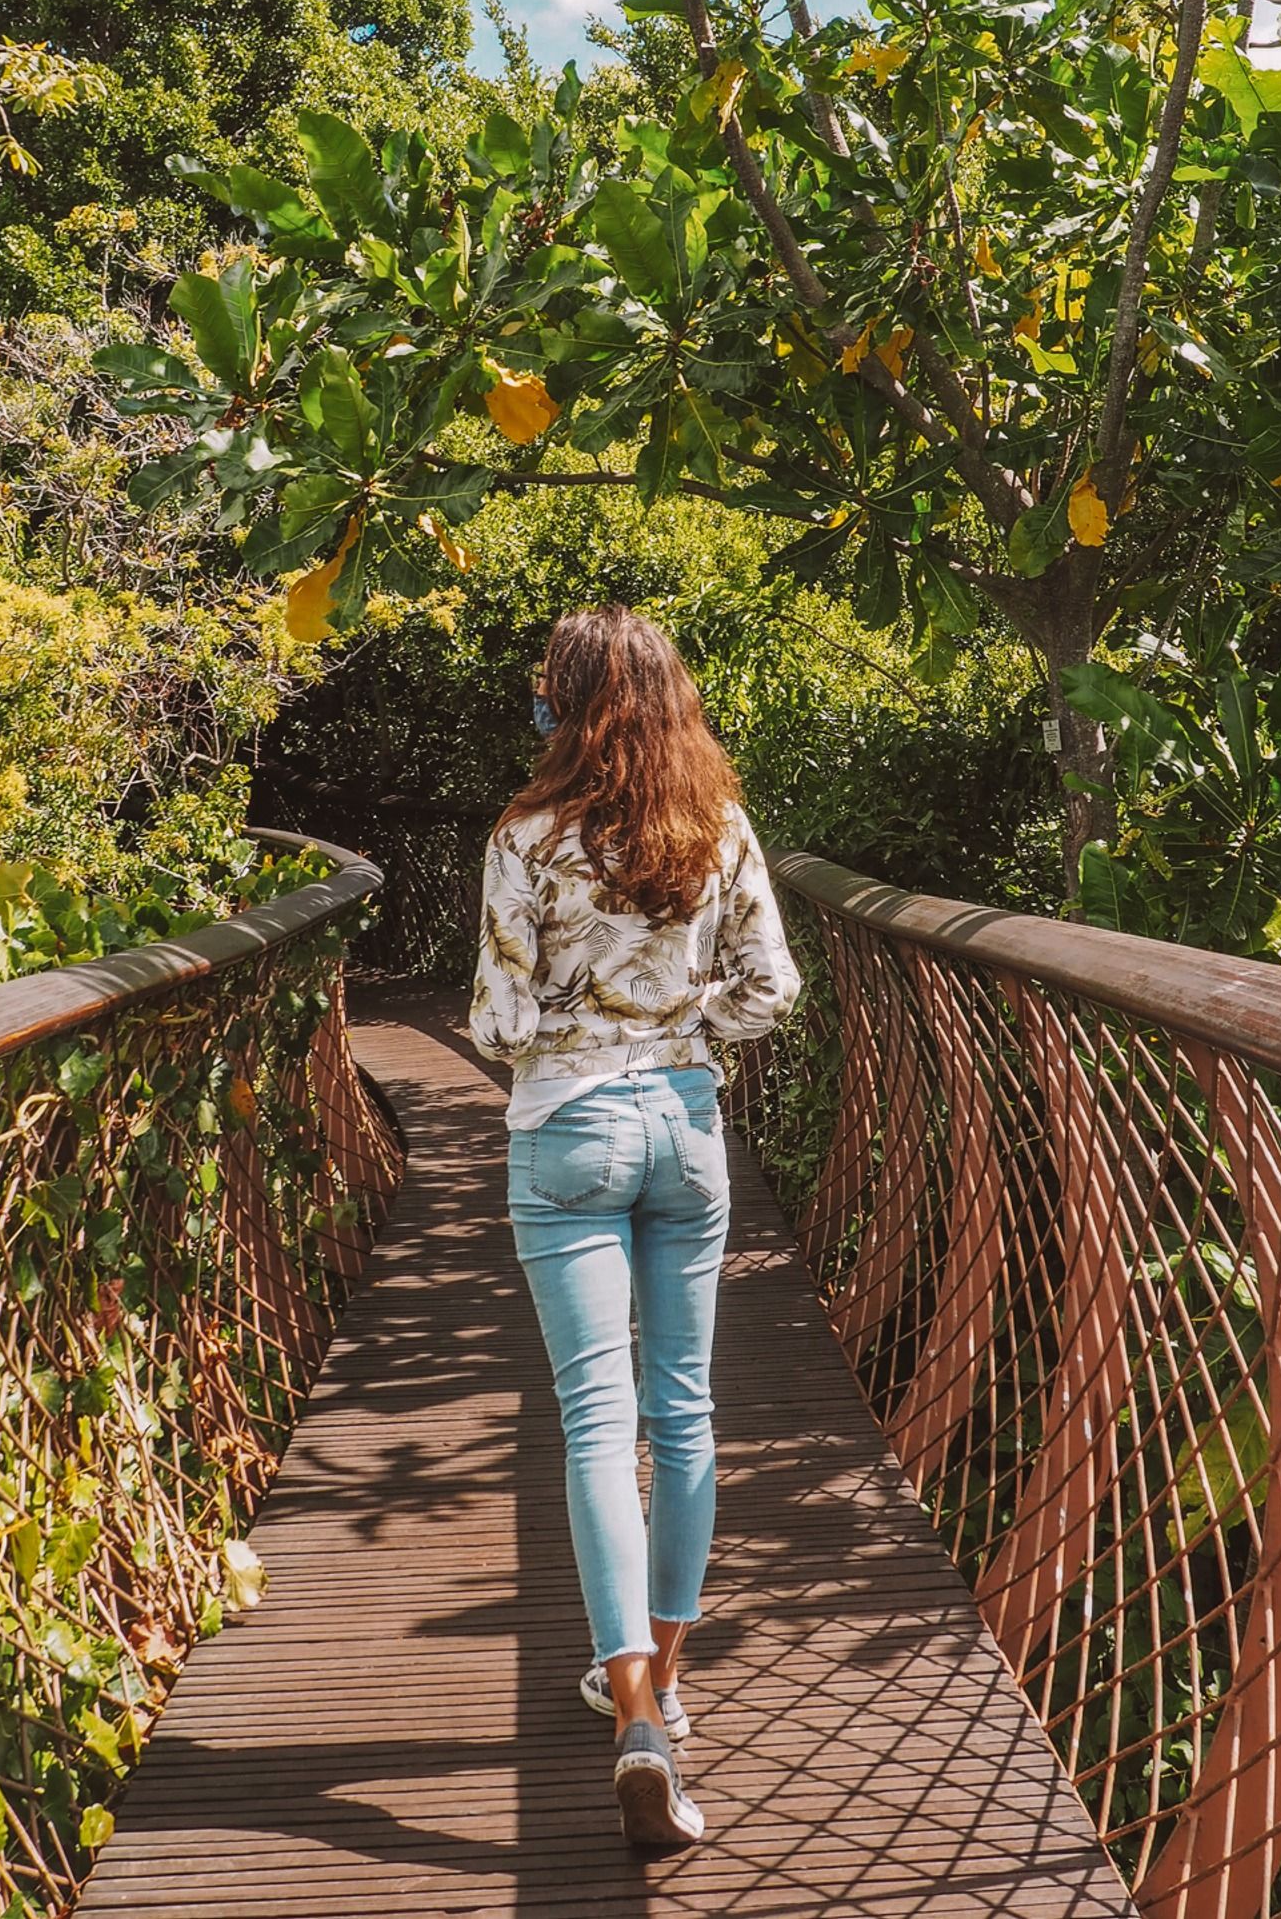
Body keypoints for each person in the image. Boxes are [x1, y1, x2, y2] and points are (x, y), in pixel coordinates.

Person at [469, 605, 801, 1853]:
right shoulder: (717, 825)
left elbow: (497, 1021)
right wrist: (684, 1015)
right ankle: (664, 1678)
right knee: (685, 1411)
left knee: (597, 1423)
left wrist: (570, 1018)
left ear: (567, 702)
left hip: (567, 1131)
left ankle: (634, 1716)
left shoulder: (525, 833)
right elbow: (771, 988)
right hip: (684, 1124)